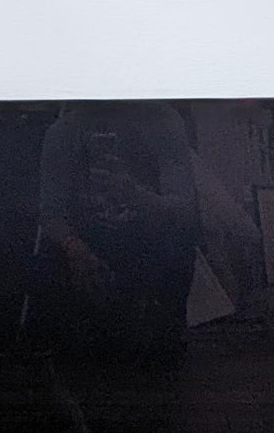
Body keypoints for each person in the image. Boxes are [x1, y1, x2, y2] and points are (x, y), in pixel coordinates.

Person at [37, 101, 199, 366]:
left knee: (178, 244)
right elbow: (50, 212)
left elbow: (183, 209)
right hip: (87, 246)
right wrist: (76, 250)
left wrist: (135, 194)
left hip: (149, 245)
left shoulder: (162, 121)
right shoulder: (63, 131)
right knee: (46, 264)